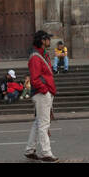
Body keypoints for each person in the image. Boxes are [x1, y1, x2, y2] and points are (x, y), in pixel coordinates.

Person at [25, 29, 58, 161]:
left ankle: (30, 149)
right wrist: (45, 91)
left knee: (38, 122)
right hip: (41, 93)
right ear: (42, 41)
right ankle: (46, 153)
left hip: (45, 92)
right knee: (44, 124)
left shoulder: (43, 54)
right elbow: (35, 78)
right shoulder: (35, 57)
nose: (50, 41)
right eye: (47, 38)